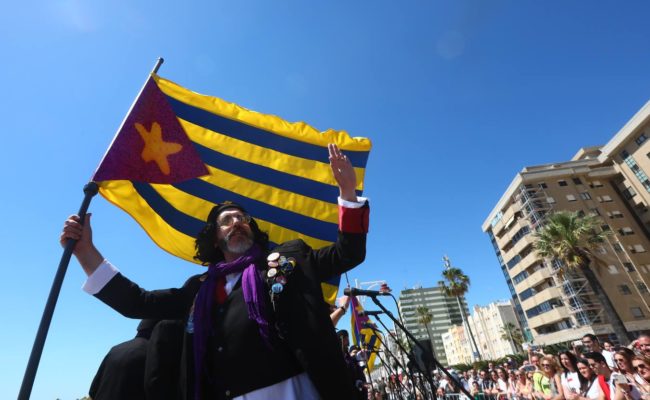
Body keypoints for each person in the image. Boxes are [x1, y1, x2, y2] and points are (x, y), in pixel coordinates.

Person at [61, 143, 369, 400]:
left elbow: (348, 252)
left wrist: (348, 192)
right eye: (226, 220)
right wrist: (86, 253)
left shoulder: (288, 259)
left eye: (241, 218)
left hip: (294, 390)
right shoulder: (198, 289)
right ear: (215, 237)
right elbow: (137, 302)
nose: (236, 222)